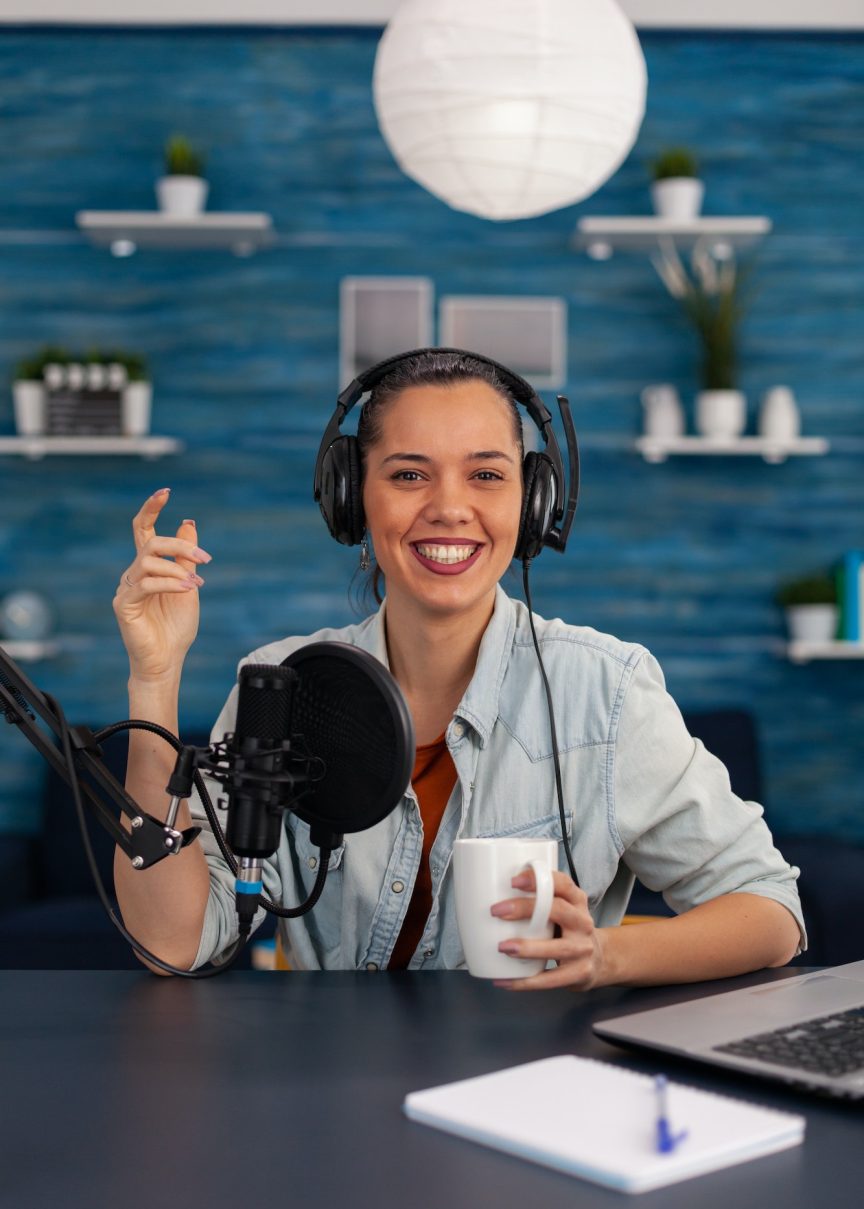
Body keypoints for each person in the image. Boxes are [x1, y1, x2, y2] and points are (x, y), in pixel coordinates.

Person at [113, 349, 804, 986]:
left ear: (532, 503)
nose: (449, 508)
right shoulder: (282, 684)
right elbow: (176, 943)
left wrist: (605, 954)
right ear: (353, 497)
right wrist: (155, 678)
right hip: (329, 1091)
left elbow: (771, 910)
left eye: (486, 474)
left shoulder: (606, 691)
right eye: (409, 474)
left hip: (535, 1087)